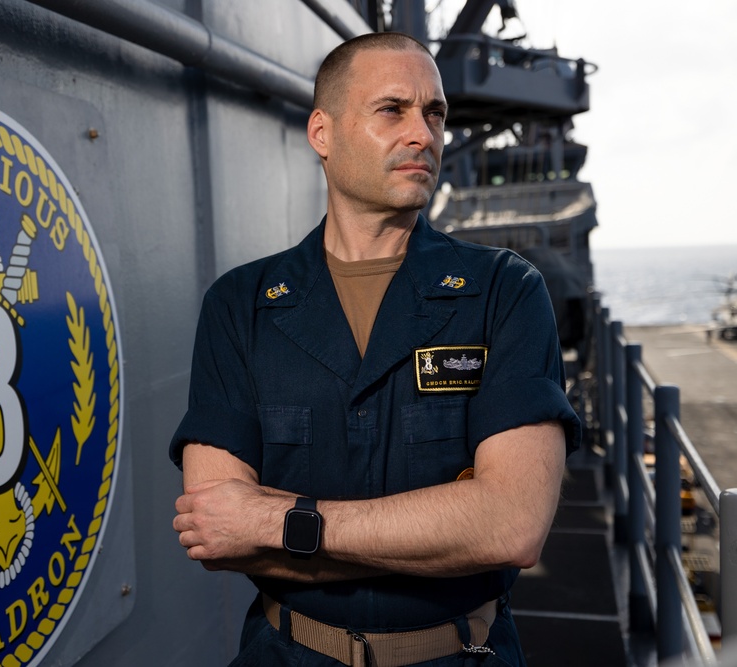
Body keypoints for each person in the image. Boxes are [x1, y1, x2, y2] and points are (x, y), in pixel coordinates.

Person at [169, 32, 580, 667]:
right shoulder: (242, 305)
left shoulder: (503, 291)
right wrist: (440, 527)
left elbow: (510, 526)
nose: (424, 134)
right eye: (393, 109)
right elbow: (219, 535)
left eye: (435, 113)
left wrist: (274, 519)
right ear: (322, 133)